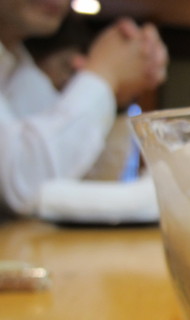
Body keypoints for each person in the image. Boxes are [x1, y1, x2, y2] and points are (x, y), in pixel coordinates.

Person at [0, 0, 168, 215]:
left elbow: (85, 184)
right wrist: (104, 74)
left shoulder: (20, 69)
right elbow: (27, 187)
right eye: (65, 65)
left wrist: (116, 95)